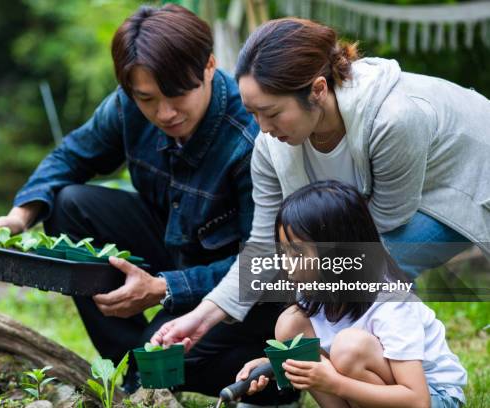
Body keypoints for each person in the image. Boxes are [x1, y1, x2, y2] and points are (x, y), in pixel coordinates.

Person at [0, 4, 299, 406]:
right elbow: (71, 156)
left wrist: (164, 288)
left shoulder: (249, 135)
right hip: (174, 244)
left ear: (208, 66)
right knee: (68, 205)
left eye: (177, 95)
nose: (165, 113)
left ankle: (271, 377)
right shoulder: (127, 107)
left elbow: (265, 261)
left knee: (160, 356)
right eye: (148, 98)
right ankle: (128, 366)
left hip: (243, 288)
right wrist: (19, 216)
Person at [151, 17, 490, 350]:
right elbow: (263, 245)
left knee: (363, 268)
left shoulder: (393, 119)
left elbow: (375, 235)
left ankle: (412, 378)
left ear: (317, 90)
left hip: (467, 181)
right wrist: (203, 315)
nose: (262, 127)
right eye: (253, 113)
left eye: (271, 112)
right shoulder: (270, 146)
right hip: (399, 200)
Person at [236, 180, 467, 408]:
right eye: (283, 252)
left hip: (434, 396)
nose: (287, 265)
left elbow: (418, 401)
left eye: (297, 255)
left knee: (349, 347)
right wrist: (271, 367)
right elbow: (322, 361)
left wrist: (335, 383)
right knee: (290, 324)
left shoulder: (390, 304)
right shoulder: (314, 292)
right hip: (380, 388)